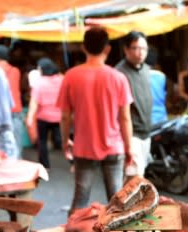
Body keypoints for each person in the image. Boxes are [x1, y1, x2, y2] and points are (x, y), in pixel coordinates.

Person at [57, 26, 133, 214]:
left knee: (80, 199)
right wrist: (129, 148)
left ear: (83, 48)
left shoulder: (71, 76)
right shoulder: (118, 78)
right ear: (107, 49)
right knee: (116, 202)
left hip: (83, 147)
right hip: (114, 146)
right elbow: (125, 118)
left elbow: (65, 116)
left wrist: (66, 140)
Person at [116, 31, 153, 180]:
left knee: (133, 180)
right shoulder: (119, 73)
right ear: (126, 49)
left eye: (144, 48)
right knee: (134, 179)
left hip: (146, 132)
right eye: (136, 48)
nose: (140, 52)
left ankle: (123, 203)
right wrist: (126, 142)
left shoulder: (146, 70)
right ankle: (126, 204)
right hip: (131, 134)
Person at [26, 57, 63, 170]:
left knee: (42, 142)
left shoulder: (39, 83)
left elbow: (34, 102)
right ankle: (73, 161)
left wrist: (29, 117)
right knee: (61, 139)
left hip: (43, 117)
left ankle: (45, 164)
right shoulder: (62, 79)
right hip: (59, 116)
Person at [0, 44, 25, 154]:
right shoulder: (16, 71)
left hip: (0, 112)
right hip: (16, 110)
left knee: (1, 146)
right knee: (16, 144)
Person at [146, 48, 168, 125]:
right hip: (161, 118)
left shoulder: (138, 76)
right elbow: (164, 97)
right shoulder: (162, 76)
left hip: (146, 120)